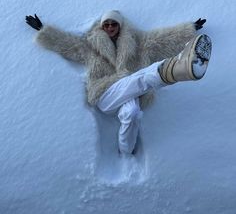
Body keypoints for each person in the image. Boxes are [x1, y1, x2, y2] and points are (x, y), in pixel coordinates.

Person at [25, 11, 212, 155]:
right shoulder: (90, 47)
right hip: (104, 95)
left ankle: (126, 153)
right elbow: (67, 43)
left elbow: (163, 39)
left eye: (113, 23)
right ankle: (177, 69)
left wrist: (190, 29)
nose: (110, 27)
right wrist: (43, 30)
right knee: (139, 78)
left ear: (120, 26)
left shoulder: (140, 43)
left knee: (131, 113)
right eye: (106, 24)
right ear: (101, 27)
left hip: (130, 96)